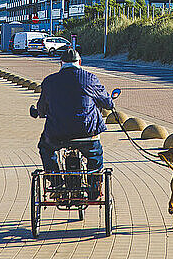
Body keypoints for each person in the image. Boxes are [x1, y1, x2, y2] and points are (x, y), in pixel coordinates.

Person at [36, 46, 114, 199]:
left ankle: (56, 182)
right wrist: (110, 104)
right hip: (86, 133)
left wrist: (39, 112)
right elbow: (107, 102)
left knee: (45, 148)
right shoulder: (89, 78)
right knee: (95, 154)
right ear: (80, 61)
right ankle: (94, 187)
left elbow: (42, 107)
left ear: (61, 63)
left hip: (57, 134)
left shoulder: (49, 81)